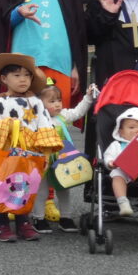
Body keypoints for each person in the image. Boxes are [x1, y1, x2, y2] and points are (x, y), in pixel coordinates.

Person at [0, 53, 62, 243]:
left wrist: (44, 151)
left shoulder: (36, 103)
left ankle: (23, 222)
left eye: (27, 75)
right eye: (17, 75)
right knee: (2, 185)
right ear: (4, 79)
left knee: (25, 186)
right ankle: (1, 222)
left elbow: (44, 125)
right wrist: (7, 128)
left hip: (29, 153)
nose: (23, 79)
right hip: (3, 153)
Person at [33, 82, 96, 232]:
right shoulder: (35, 120)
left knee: (64, 188)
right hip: (43, 160)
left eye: (59, 100)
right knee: (41, 191)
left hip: (62, 160)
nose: (57, 105)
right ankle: (38, 218)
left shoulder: (62, 116)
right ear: (40, 104)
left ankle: (66, 218)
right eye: (52, 101)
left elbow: (78, 112)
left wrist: (88, 97)